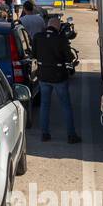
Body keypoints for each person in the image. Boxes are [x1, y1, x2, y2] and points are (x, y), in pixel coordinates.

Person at [33, 14, 80, 144]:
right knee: (66, 106)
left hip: (43, 75)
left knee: (45, 105)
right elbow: (69, 57)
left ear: (48, 25)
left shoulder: (38, 37)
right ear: (58, 27)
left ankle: (44, 134)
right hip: (59, 76)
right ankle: (71, 135)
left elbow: (34, 54)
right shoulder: (61, 39)